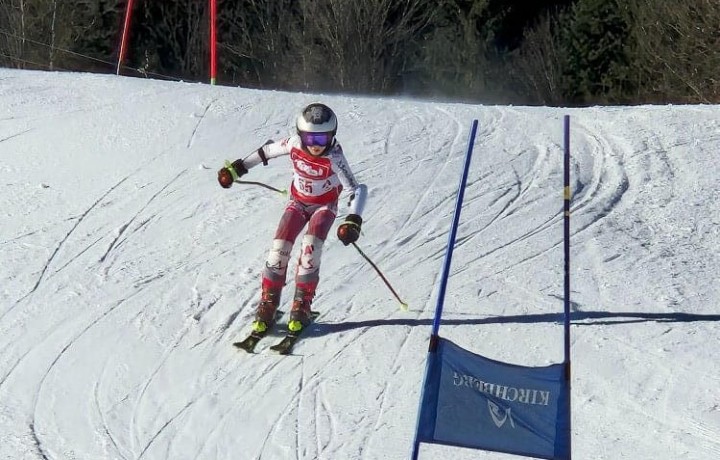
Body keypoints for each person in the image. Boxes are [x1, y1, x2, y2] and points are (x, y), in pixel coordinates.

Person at [217, 103, 367, 334]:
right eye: (310, 139)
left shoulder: (335, 157)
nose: (315, 146)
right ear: (300, 135)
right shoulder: (294, 144)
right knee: (279, 248)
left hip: (324, 206)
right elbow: (266, 151)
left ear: (332, 137)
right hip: (297, 202)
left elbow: (356, 189)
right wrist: (237, 169)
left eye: (322, 140)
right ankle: (268, 301)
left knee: (311, 248)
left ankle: (302, 304)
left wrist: (353, 219)